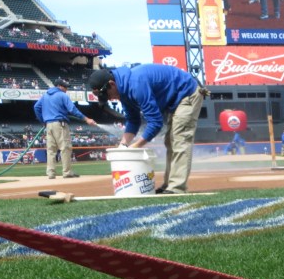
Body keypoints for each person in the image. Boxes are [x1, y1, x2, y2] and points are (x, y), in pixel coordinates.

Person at [88, 65, 206, 194]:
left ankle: (176, 187)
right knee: (170, 141)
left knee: (179, 139)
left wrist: (136, 146)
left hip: (187, 92)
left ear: (112, 84)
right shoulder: (123, 89)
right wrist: (123, 145)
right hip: (174, 99)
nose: (110, 99)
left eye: (108, 95)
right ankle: (169, 185)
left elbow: (155, 122)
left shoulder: (136, 85)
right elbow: (133, 120)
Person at [33, 79, 97, 179]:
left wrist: (43, 121)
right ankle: (67, 172)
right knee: (65, 148)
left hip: (48, 124)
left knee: (51, 150)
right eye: (65, 87)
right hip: (60, 124)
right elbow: (72, 110)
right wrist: (86, 119)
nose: (66, 89)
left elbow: (36, 107)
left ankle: (51, 173)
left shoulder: (45, 95)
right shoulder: (62, 95)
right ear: (59, 86)